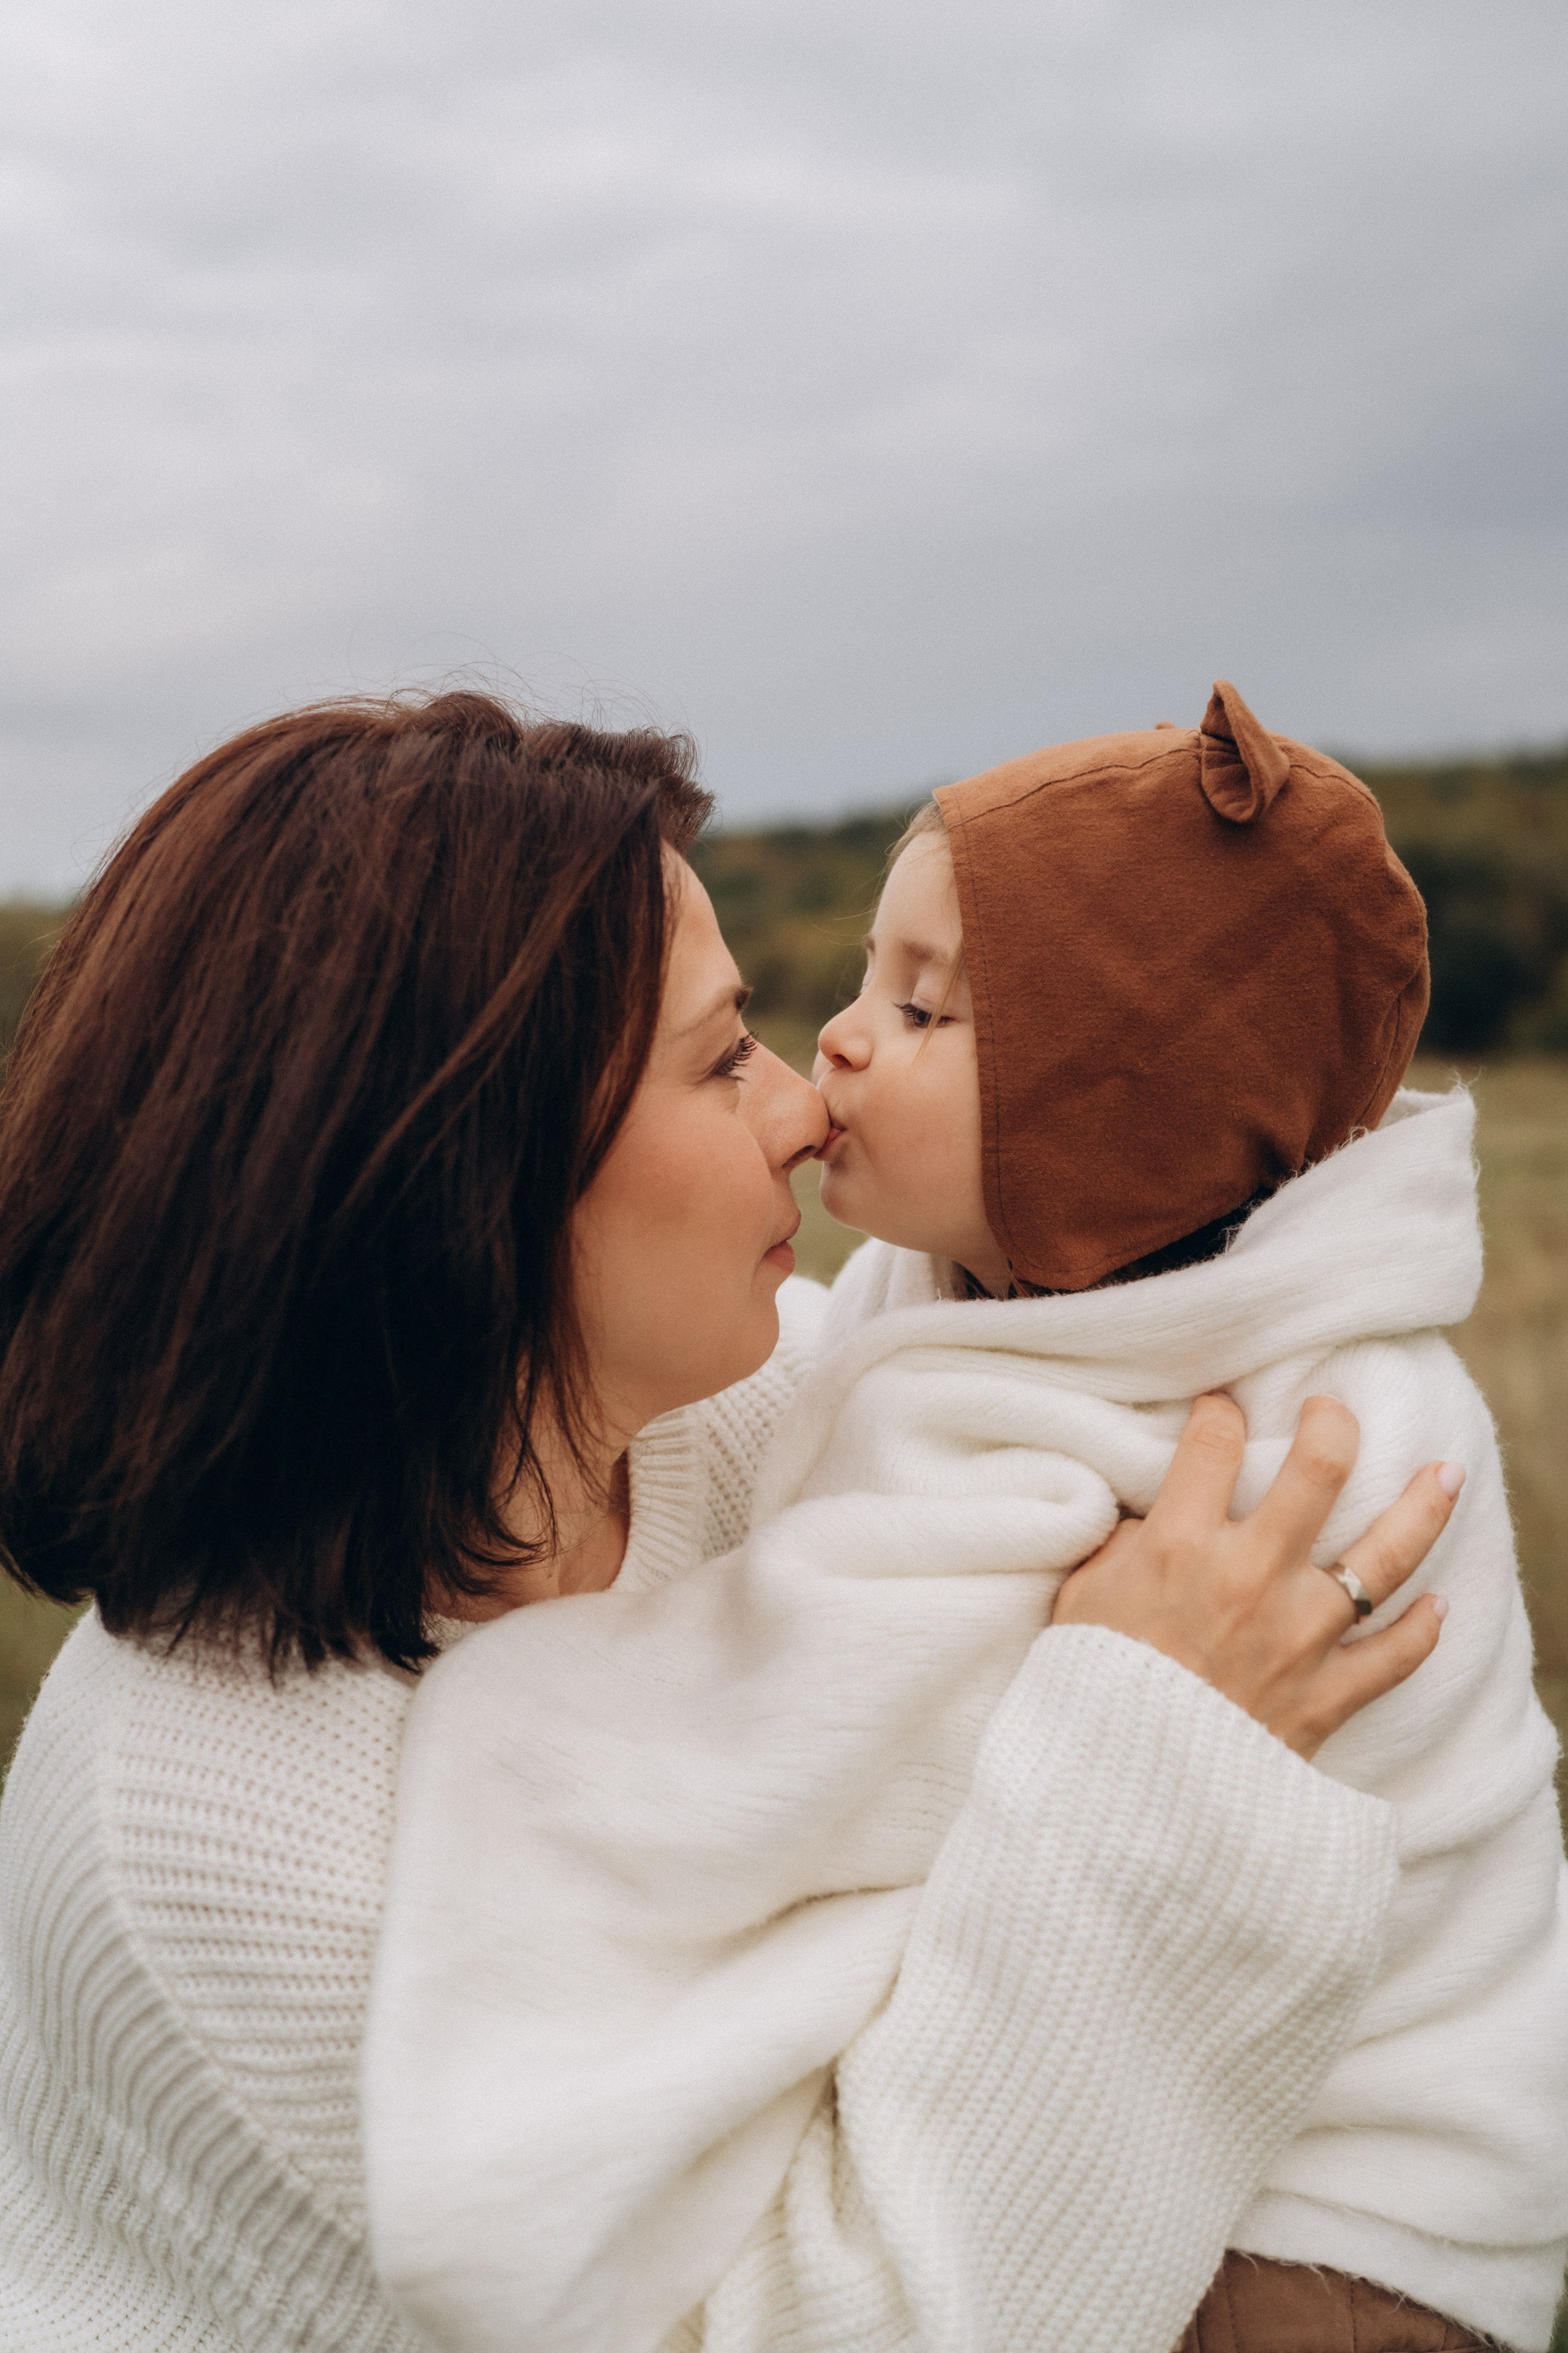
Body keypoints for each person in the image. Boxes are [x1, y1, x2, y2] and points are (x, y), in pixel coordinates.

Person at [0, 691, 1458, 2353]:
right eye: (717, 1061)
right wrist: (1156, 1766)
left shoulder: (738, 1413)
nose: (797, 1107)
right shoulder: (224, 1844)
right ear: (467, 1189)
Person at [365, 685, 1567, 2353]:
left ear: (1126, 1123)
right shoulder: (973, 1292)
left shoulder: (1260, 1422)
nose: (839, 1040)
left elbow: (864, 1723)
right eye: (868, 972)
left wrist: (569, 1724)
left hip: (1332, 2232)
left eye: (928, 1014)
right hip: (1183, 2133)